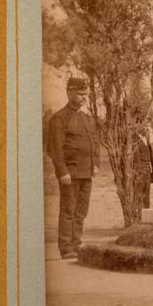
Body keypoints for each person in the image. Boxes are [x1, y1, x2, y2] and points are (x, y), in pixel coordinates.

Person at [46, 76, 100, 260]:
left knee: (81, 211)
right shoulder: (59, 118)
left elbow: (94, 143)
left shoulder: (87, 118)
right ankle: (66, 247)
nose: (84, 98)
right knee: (68, 210)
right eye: (80, 94)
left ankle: (77, 244)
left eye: (86, 94)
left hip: (87, 172)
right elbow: (54, 149)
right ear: (69, 93)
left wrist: (96, 164)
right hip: (70, 173)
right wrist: (63, 171)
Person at [132, 122, 153, 210]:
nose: (149, 129)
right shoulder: (135, 139)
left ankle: (146, 213)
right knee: (139, 195)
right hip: (139, 171)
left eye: (149, 126)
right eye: (146, 126)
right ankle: (138, 214)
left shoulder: (146, 139)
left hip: (147, 170)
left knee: (146, 195)